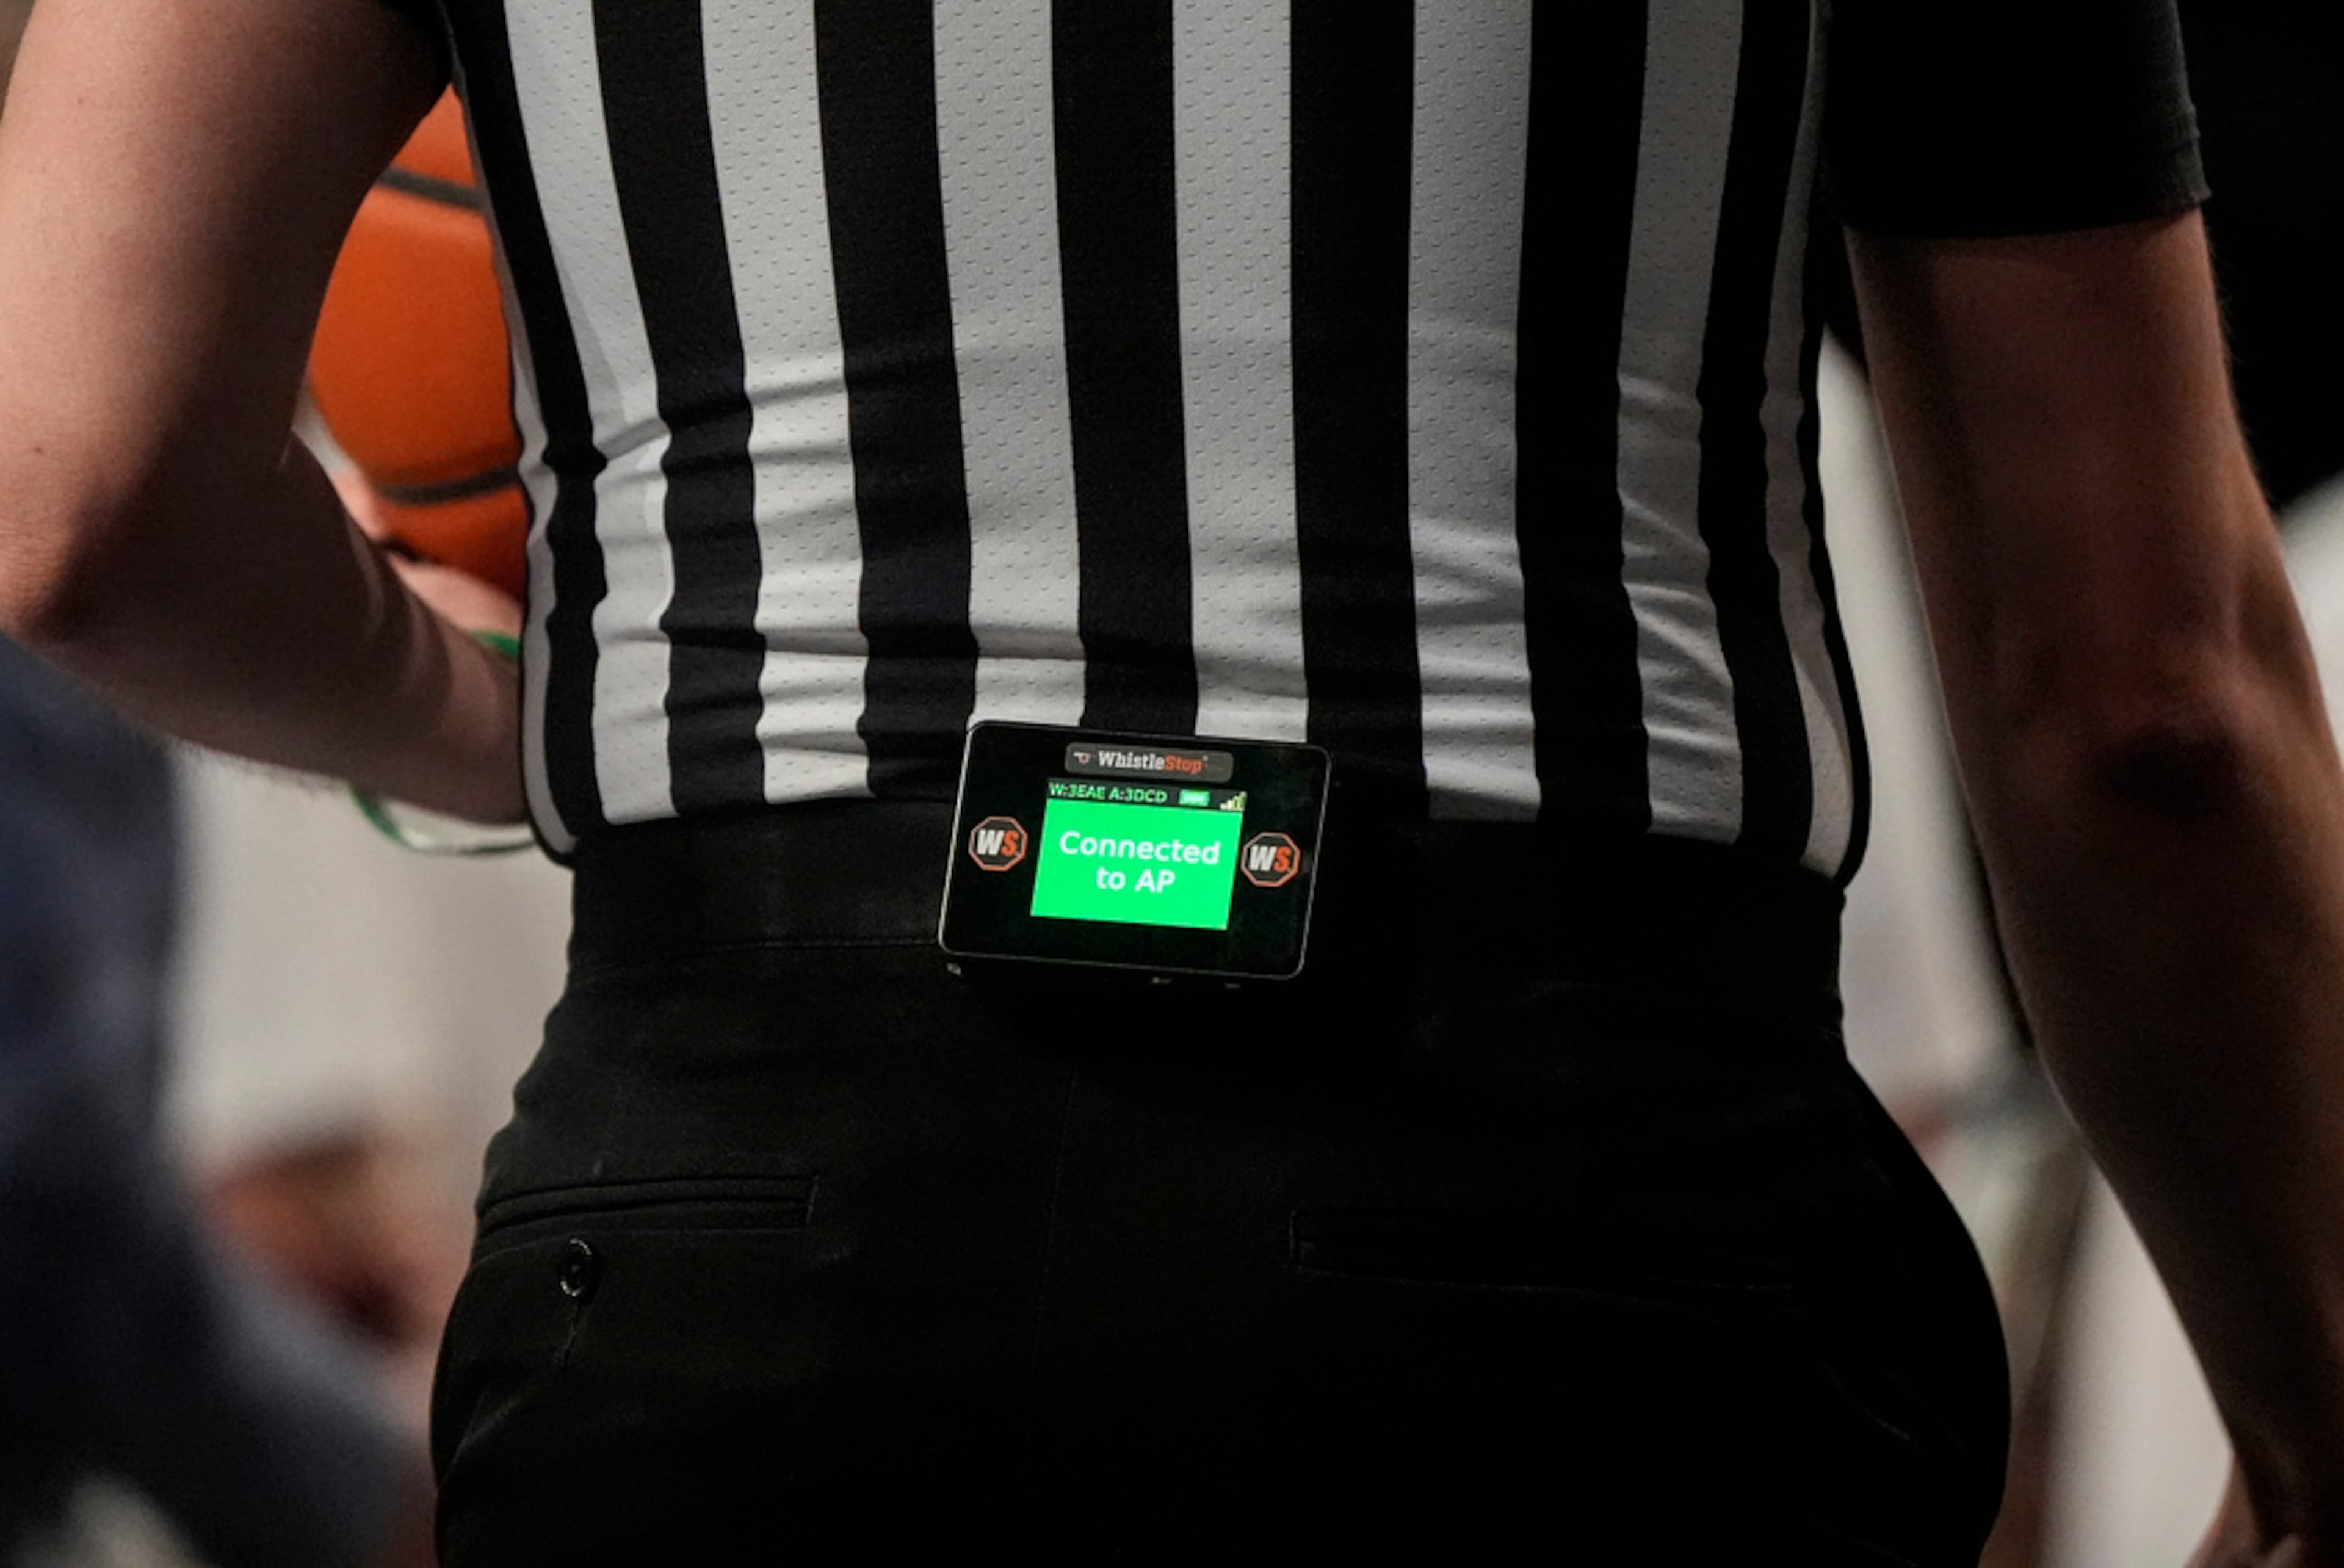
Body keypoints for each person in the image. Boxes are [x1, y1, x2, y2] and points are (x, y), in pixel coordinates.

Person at [0, 0, 2337, 1562]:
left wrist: (493, 724)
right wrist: (2318, 1429)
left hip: (746, 1224)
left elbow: (75, 487)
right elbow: (2137, 703)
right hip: (1583, 1219)